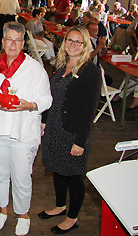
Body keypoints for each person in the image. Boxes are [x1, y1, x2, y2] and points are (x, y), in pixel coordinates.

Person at [0, 22, 52, 236]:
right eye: (9, 39)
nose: (13, 44)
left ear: (23, 43)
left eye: (17, 40)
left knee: (22, 177)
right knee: (0, 175)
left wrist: (30, 105)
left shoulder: (35, 69)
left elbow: (47, 99)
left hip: (24, 132)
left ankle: (23, 214)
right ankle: (3, 210)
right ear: (3, 42)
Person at [40, 25, 101, 234]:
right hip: (55, 127)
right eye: (69, 40)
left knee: (74, 175)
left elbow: (89, 110)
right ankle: (59, 205)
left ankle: (73, 217)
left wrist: (80, 141)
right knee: (58, 169)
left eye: (78, 42)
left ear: (85, 45)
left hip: (73, 131)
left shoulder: (90, 71)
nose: (72, 45)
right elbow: (52, 97)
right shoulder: (61, 63)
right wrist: (44, 120)